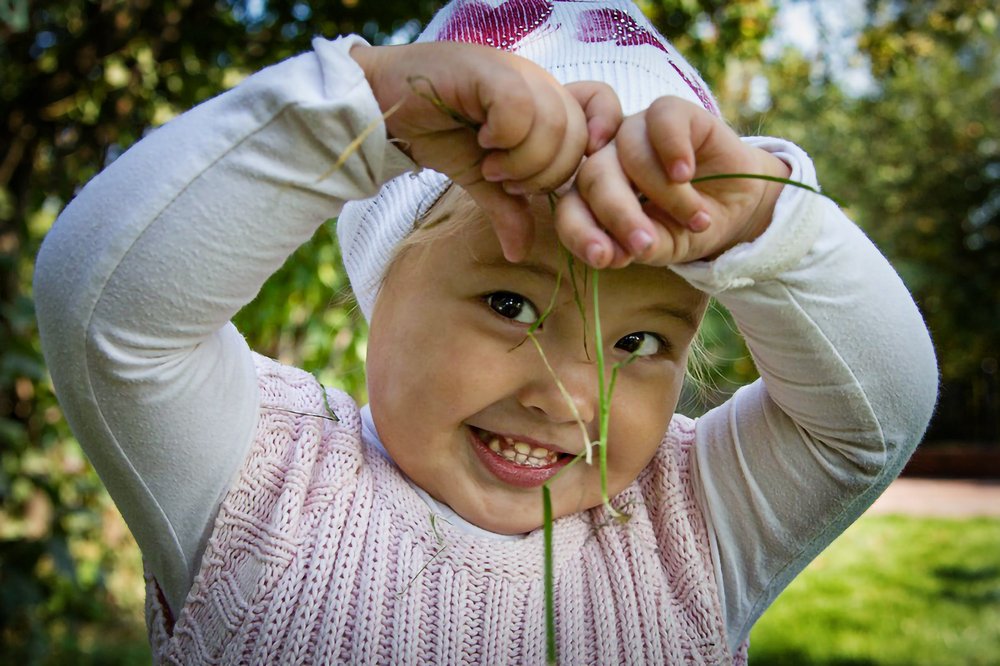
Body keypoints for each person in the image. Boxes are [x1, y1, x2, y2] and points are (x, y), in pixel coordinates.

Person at [34, 0, 938, 663]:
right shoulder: (260, 482)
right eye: (511, 305)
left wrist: (763, 225)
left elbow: (873, 416)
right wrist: (363, 119)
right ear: (381, 288)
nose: (568, 396)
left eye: (640, 343)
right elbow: (111, 311)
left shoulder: (687, 529)